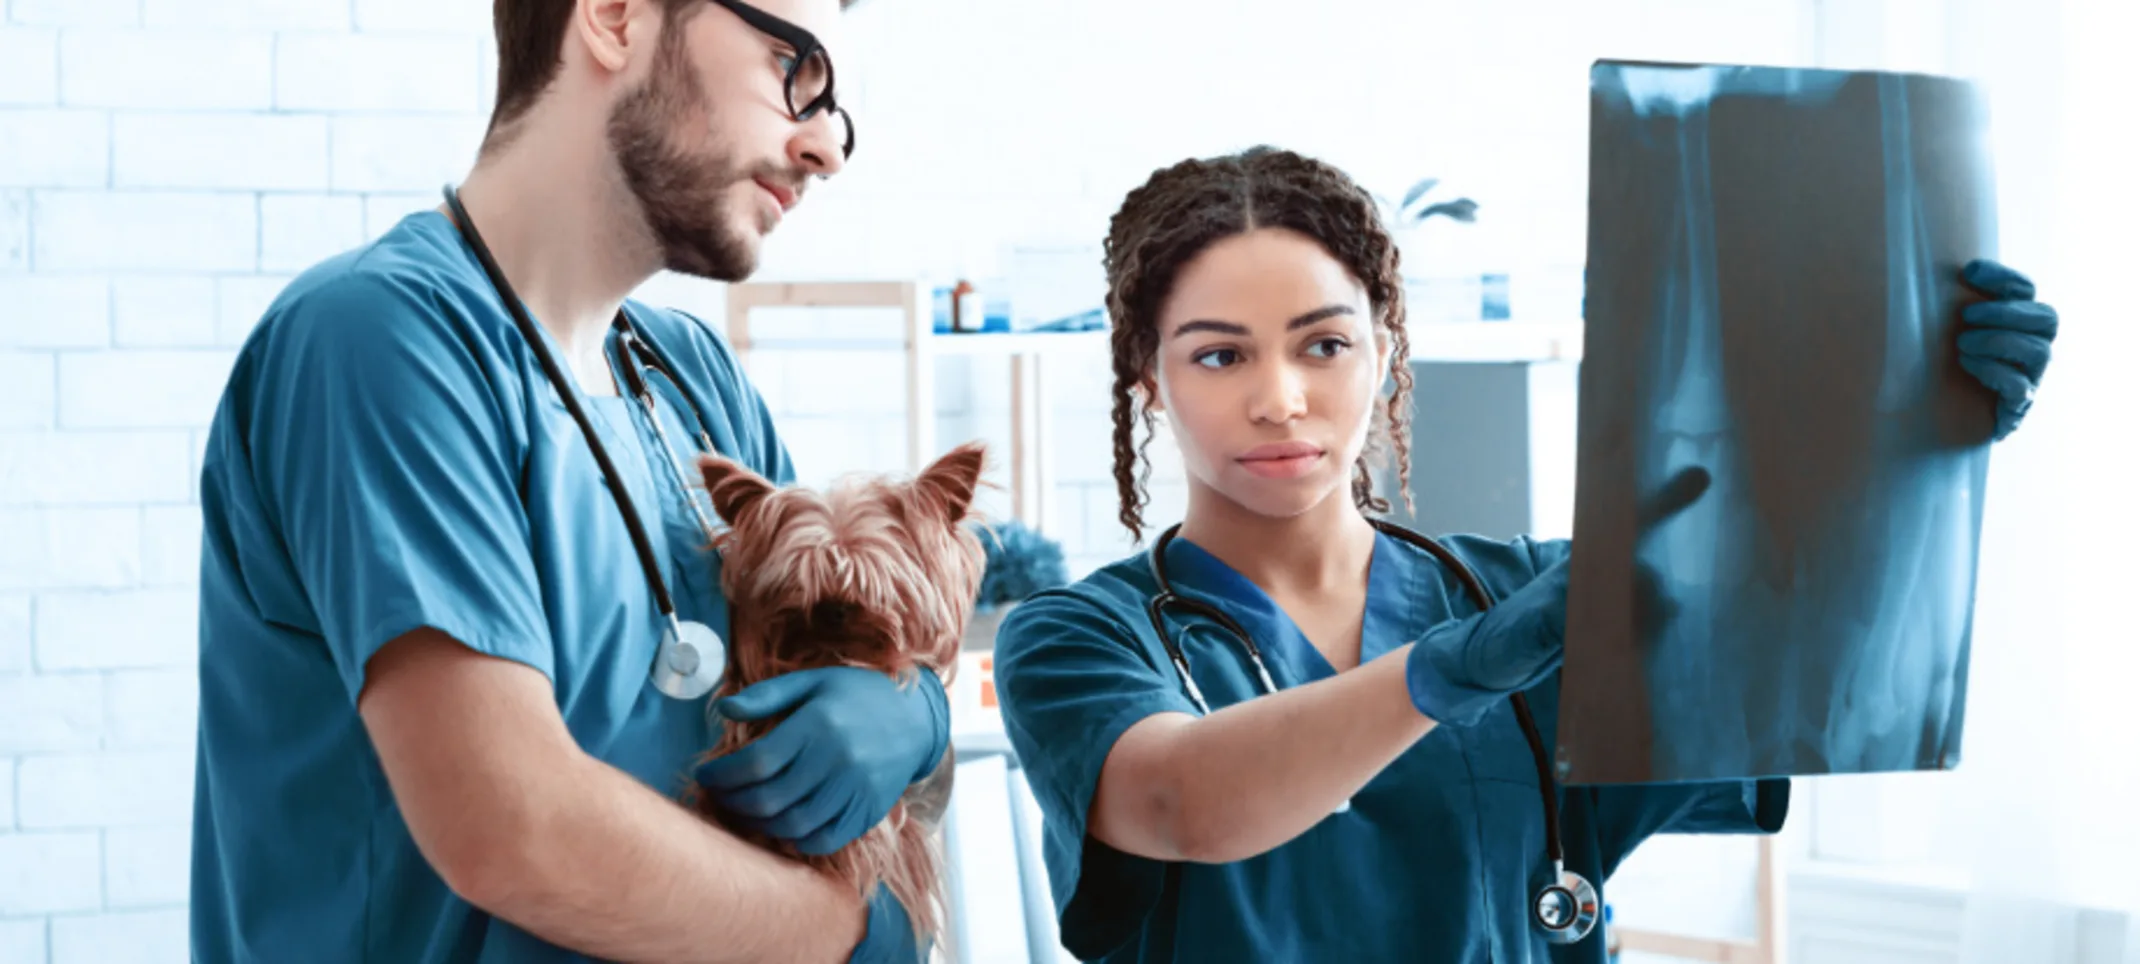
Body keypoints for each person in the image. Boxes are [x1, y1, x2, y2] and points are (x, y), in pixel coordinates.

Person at [989, 145, 2060, 962]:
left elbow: (1818, 668)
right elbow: (1179, 799)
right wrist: (1450, 670)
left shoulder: (1529, 597)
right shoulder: (1079, 637)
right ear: (1146, 379)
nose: (1281, 399)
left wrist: (1910, 461)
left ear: (1382, 357)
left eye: (1324, 344)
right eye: (1219, 354)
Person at [189, 2, 944, 962]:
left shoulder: (694, 382)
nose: (826, 145)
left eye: (836, 103)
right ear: (616, 16)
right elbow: (515, 832)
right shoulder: (380, 343)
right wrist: (848, 930)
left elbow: (845, 689)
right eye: (792, 64)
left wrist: (913, 715)